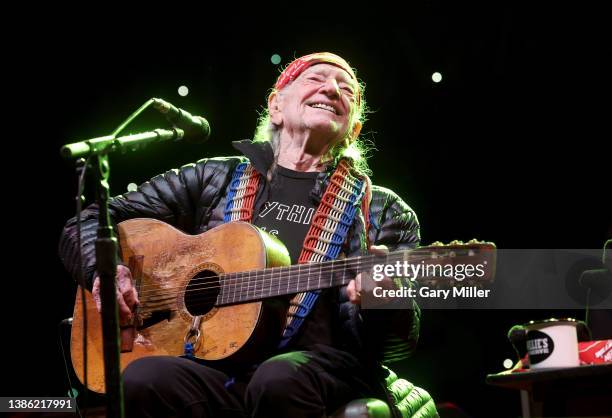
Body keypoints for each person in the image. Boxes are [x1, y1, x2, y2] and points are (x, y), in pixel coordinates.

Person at [59, 52, 428, 418]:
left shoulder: (382, 210)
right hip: (218, 372)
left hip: (317, 371)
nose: (332, 89)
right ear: (276, 106)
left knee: (277, 377)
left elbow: (395, 344)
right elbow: (89, 220)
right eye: (315, 79)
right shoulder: (213, 179)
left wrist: (384, 301)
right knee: (143, 376)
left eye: (347, 90)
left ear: (354, 130)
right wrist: (107, 273)